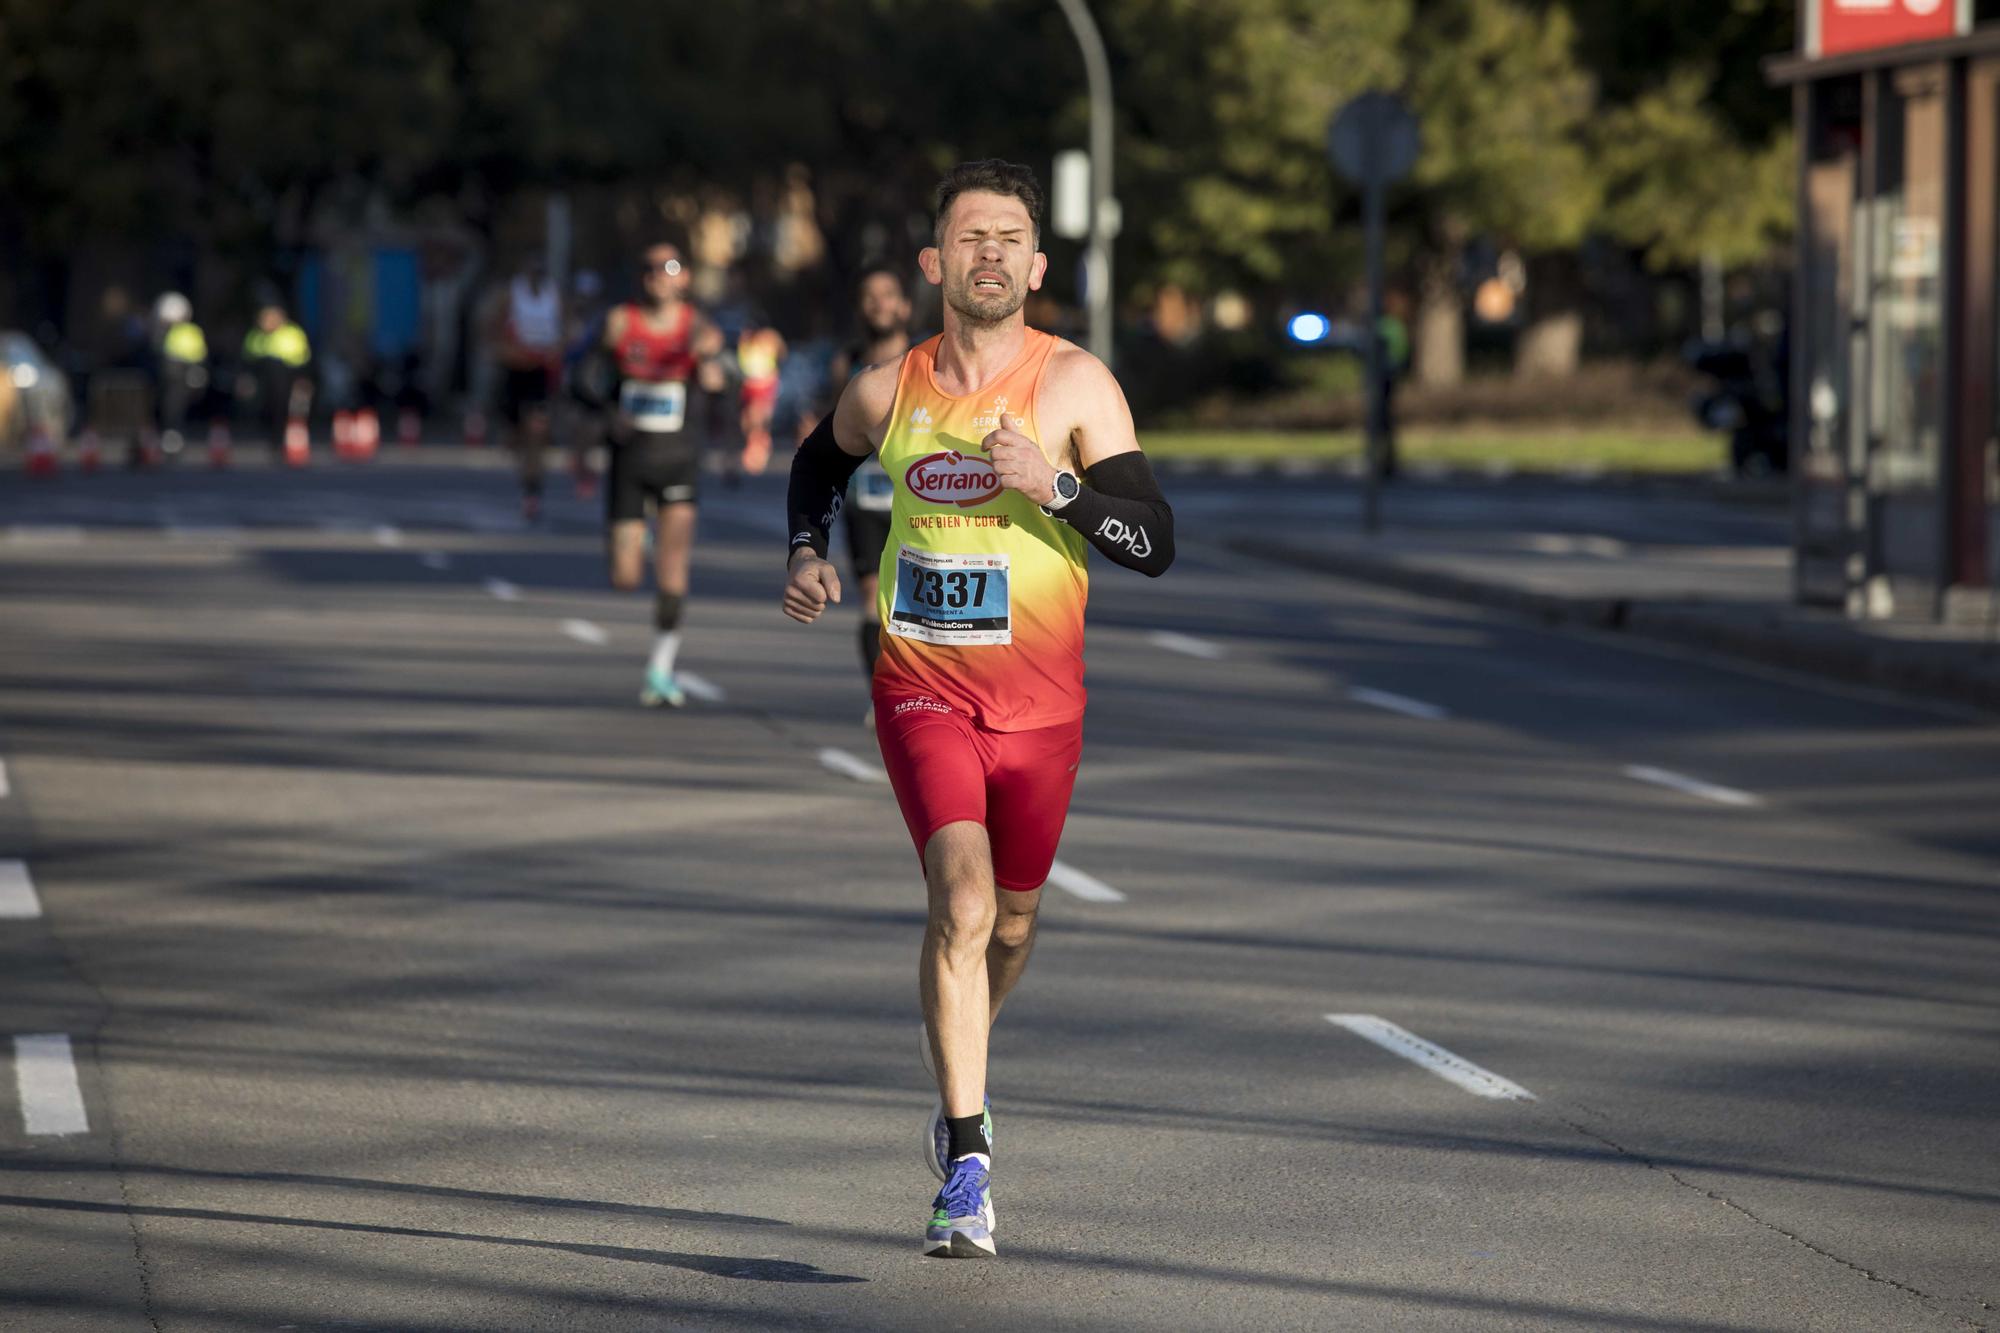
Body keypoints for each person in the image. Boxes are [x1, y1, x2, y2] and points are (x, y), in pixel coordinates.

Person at [781, 160, 1175, 1258]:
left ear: (1035, 266)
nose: (989, 254)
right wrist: (806, 552)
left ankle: (964, 1057)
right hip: (921, 691)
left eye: (1008, 238)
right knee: (957, 905)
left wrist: (1053, 485)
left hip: (1042, 712)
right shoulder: (888, 388)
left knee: (1009, 922)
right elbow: (816, 464)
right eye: (968, 238)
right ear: (933, 263)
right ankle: (966, 1159)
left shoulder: (1075, 387)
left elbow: (1154, 545)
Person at [603, 243, 725, 708]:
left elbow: (721, 378)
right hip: (629, 460)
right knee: (625, 577)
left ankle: (660, 667)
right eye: (651, 267)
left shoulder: (698, 328)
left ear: (685, 277)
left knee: (673, 574)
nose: (660, 275)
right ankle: (640, 539)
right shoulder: (620, 323)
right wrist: (606, 412)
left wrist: (714, 371)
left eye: (670, 267)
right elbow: (585, 377)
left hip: (678, 458)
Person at [825, 268, 915, 727]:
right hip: (866, 497)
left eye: (888, 294)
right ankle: (880, 696)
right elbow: (832, 429)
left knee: (917, 599)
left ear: (905, 306)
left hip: (920, 500)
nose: (880, 304)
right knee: (870, 597)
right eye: (870, 296)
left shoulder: (926, 360)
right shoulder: (848, 363)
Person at [495, 258, 564, 521]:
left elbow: (565, 330)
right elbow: (490, 331)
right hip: (515, 372)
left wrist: (557, 350)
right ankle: (524, 465)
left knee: (537, 430)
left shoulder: (553, 296)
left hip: (540, 373)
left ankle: (532, 491)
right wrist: (508, 352)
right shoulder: (511, 295)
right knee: (515, 437)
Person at [241, 303, 312, 453]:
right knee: (266, 408)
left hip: (286, 377)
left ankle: (280, 441)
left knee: (284, 409)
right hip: (264, 378)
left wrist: (302, 380)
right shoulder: (256, 335)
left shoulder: (292, 333)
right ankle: (271, 437)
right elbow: (248, 358)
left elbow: (302, 359)